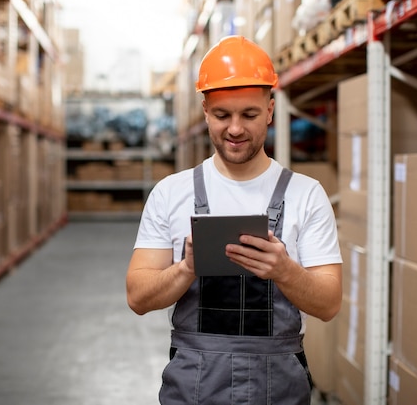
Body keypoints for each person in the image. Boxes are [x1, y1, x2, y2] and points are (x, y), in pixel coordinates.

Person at [126, 35, 342, 405]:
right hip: (194, 385)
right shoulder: (170, 193)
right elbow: (138, 297)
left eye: (250, 114)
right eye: (222, 115)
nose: (236, 129)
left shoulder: (306, 194)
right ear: (206, 110)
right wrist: (187, 268)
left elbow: (329, 304)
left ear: (271, 110)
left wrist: (284, 270)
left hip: (279, 388)